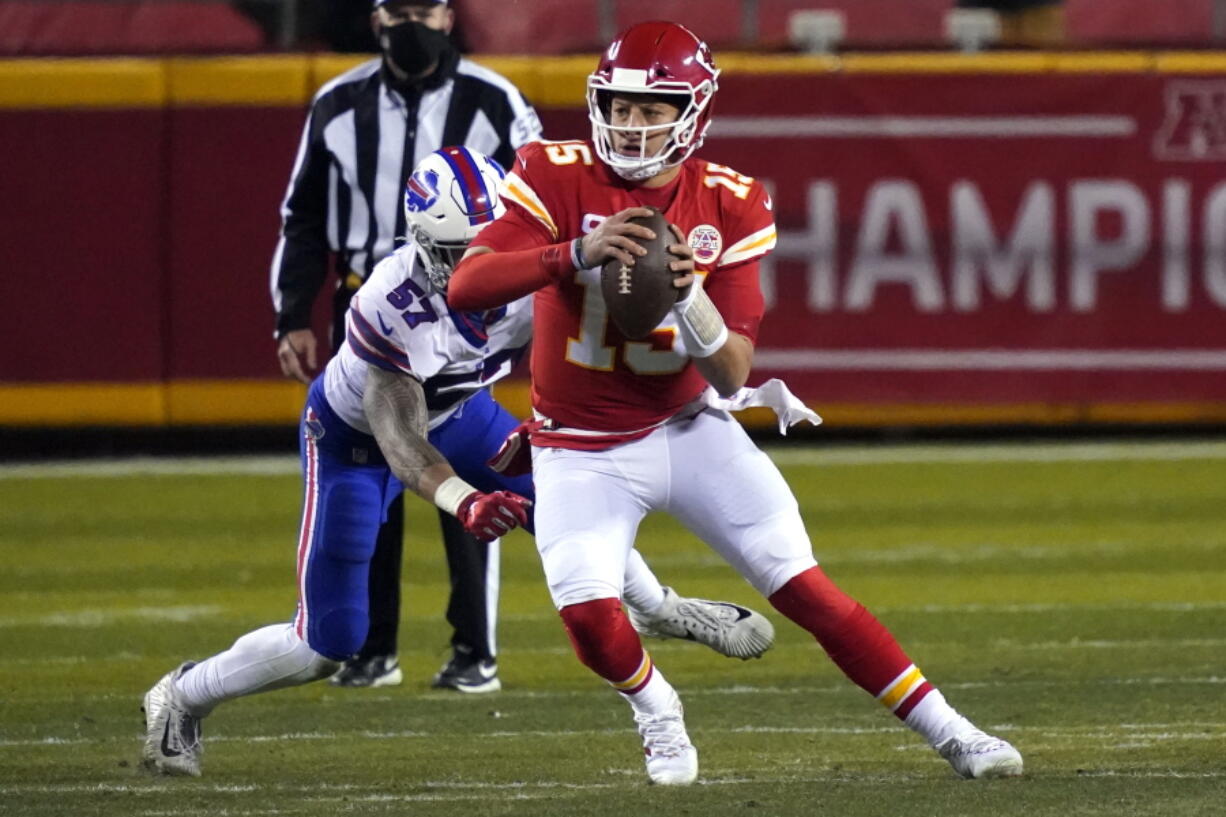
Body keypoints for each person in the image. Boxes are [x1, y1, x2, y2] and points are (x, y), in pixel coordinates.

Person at [447, 21, 1025, 786]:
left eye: (652, 110)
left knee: (804, 587)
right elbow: (468, 284)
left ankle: (953, 730)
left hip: (688, 429)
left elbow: (730, 372)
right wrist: (573, 253)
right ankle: (658, 709)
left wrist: (689, 297)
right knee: (589, 617)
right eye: (619, 106)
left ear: (694, 114)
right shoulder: (554, 174)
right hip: (578, 445)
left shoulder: (731, 202)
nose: (630, 124)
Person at [142, 147, 777, 778]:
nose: (474, 264)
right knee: (328, 644)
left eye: (490, 243)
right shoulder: (391, 304)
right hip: (356, 443)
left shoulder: (538, 259)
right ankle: (182, 695)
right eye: (455, 251)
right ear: (420, 241)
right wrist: (464, 499)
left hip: (465, 411)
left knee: (564, 501)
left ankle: (656, 608)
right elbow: (400, 442)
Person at [270, 0, 544, 691]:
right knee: (376, 464)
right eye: (399, 8)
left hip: (470, 301)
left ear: (451, 17)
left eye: (425, 8)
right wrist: (292, 312)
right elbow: (302, 214)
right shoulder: (337, 103)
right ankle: (372, 645)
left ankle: (473, 647)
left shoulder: (495, 100)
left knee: (467, 466)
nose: (412, 23)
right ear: (375, 17)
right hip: (374, 298)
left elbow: (542, 201)